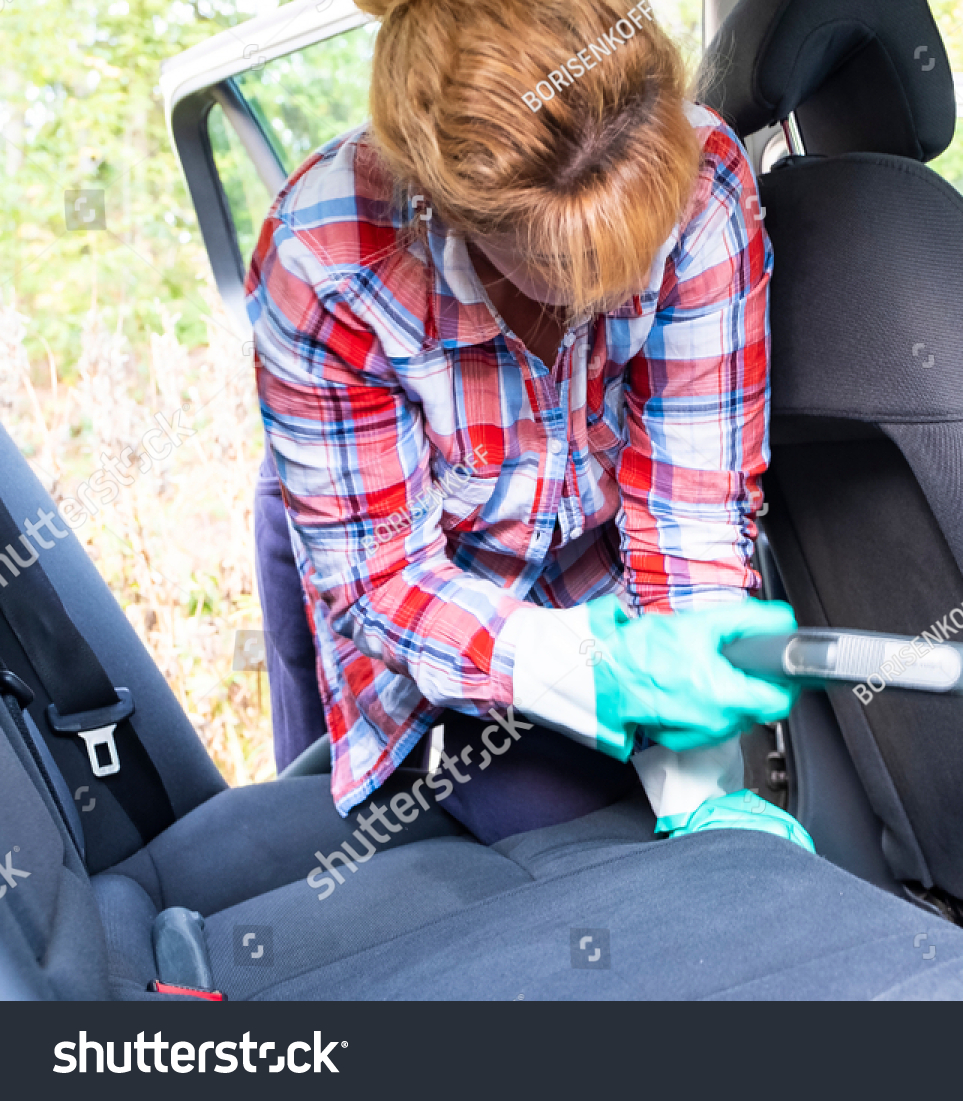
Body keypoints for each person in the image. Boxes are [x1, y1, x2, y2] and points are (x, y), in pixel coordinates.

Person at [247, 0, 812, 850]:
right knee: (353, 816)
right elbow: (387, 583)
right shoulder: (328, 261)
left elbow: (689, 510)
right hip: (388, 560)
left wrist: (698, 780)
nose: (606, 290)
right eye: (561, 262)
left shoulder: (706, 185)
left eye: (636, 247)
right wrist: (586, 669)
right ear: (454, 211)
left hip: (592, 578)